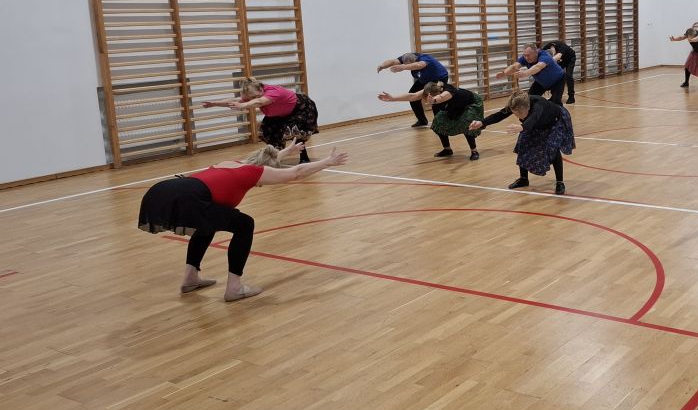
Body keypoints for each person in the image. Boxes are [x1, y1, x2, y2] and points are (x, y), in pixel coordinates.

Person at [137, 143, 349, 302]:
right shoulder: (254, 172)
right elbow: (295, 173)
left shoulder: (235, 164)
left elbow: (263, 160)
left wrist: (286, 152)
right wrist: (326, 162)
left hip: (165, 190)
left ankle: (190, 278)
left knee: (207, 224)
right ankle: (234, 287)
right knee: (245, 225)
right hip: (191, 197)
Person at [470, 91, 575, 194]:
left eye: (518, 114)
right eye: (515, 114)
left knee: (553, 148)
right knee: (522, 144)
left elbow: (534, 118)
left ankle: (560, 182)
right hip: (534, 124)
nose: (517, 117)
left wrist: (522, 127)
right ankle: (523, 179)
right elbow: (499, 115)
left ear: (527, 108)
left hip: (555, 122)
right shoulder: (517, 104)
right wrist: (482, 122)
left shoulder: (538, 105)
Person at [202, 78, 319, 163]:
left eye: (254, 97)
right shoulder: (254, 95)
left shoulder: (273, 92)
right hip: (280, 114)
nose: (252, 99)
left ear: (261, 89)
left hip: (301, 109)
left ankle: (304, 157)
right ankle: (275, 158)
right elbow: (234, 100)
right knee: (269, 132)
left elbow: (260, 101)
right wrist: (214, 103)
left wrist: (243, 105)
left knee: (295, 131)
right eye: (250, 98)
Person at [378, 81, 483, 160]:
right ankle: (447, 149)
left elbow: (442, 97)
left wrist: (434, 100)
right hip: (454, 107)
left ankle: (474, 151)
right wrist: (393, 98)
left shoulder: (448, 92)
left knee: (467, 123)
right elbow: (413, 96)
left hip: (471, 103)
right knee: (438, 122)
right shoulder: (430, 89)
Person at [376, 52, 450, 128]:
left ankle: (441, 122)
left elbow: (420, 65)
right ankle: (422, 120)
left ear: (412, 62)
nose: (406, 66)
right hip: (424, 79)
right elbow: (393, 61)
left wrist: (403, 67)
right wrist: (382, 65)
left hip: (439, 78)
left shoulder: (425, 58)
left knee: (434, 99)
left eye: (407, 65)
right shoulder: (407, 57)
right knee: (413, 95)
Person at [498, 43, 566, 105]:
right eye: (524, 55)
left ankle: (561, 113)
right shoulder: (525, 58)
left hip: (557, 80)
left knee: (555, 102)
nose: (526, 58)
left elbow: (538, 67)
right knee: (529, 100)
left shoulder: (544, 56)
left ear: (536, 52)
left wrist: (525, 73)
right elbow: (514, 66)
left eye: (528, 55)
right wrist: (504, 73)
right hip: (542, 82)